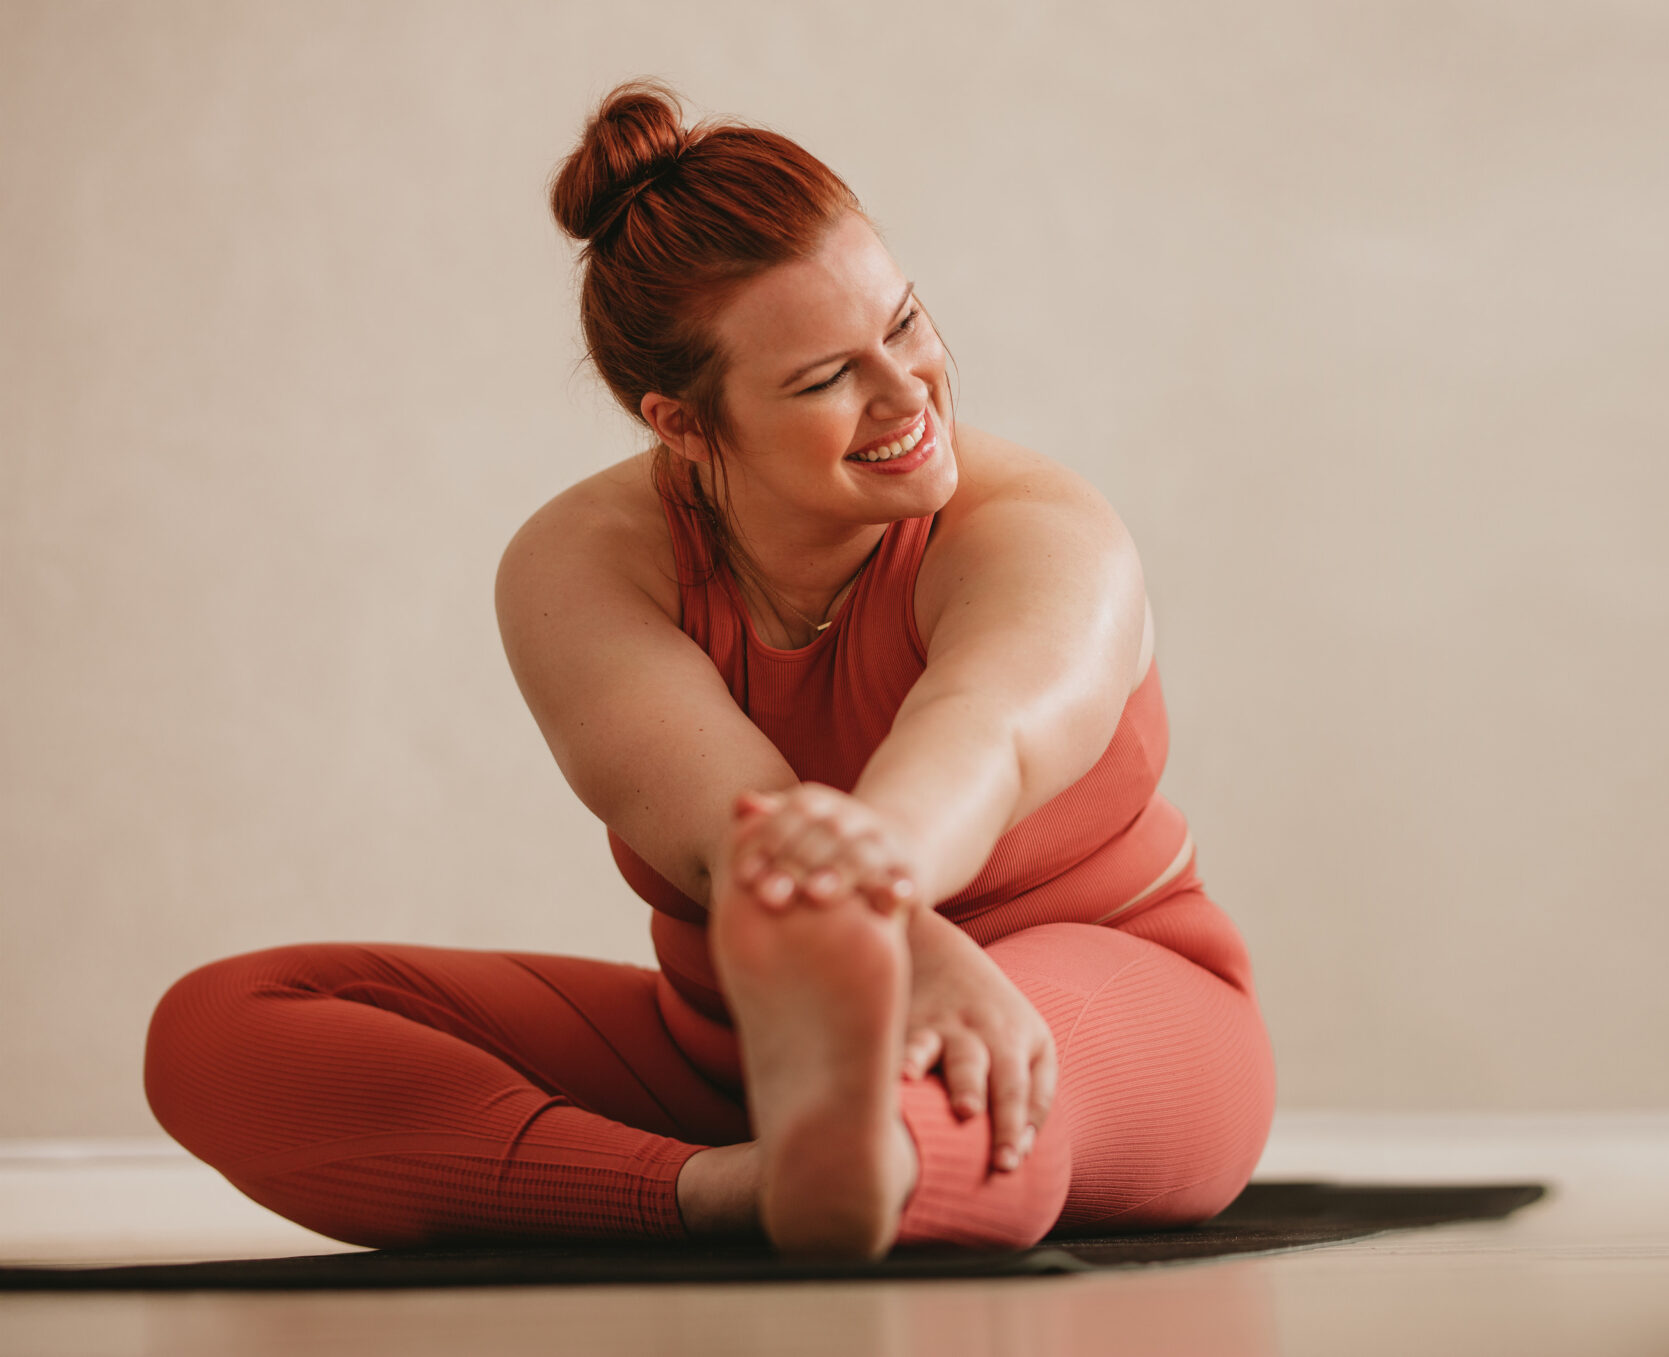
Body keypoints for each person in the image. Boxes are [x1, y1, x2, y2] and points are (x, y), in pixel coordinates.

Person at [142, 81, 1275, 1258]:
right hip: (735, 1042)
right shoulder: (580, 561)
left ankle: (863, 1153)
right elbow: (728, 829)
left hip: (1111, 1001)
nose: (908, 393)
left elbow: (985, 736)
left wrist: (877, 903)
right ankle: (727, 1186)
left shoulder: (1041, 526)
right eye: (825, 378)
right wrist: (870, 948)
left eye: (904, 322)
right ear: (681, 424)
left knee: (981, 1093)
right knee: (222, 1026)